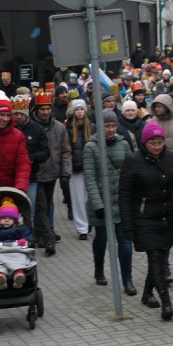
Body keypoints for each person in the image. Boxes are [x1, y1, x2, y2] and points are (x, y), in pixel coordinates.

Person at [119, 120, 173, 321]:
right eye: (153, 143)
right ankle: (166, 303)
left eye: (160, 143)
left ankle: (147, 293)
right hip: (144, 216)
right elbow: (124, 195)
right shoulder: (133, 161)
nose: (157, 147)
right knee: (155, 258)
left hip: (166, 215)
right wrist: (127, 225)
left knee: (159, 256)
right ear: (144, 143)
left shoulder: (171, 158)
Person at [84, 110, 134, 292]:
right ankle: (99, 270)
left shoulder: (123, 144)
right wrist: (97, 205)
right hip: (102, 202)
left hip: (121, 201)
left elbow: (131, 172)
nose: (111, 129)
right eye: (107, 126)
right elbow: (89, 178)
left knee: (125, 241)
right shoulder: (91, 147)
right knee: (102, 238)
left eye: (113, 126)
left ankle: (127, 279)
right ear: (100, 127)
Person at [31, 90, 70, 256]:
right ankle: (47, 237)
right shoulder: (32, 128)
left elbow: (65, 151)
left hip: (52, 172)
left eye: (48, 109)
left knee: (49, 204)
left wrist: (66, 172)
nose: (45, 112)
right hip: (36, 173)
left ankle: (46, 231)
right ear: (36, 110)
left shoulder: (59, 127)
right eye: (42, 109)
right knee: (40, 206)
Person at [65, 99, 92, 240]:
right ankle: (82, 228)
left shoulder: (92, 127)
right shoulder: (69, 129)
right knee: (78, 199)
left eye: (82, 109)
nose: (80, 112)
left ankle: (91, 221)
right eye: (77, 109)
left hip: (91, 168)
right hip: (75, 169)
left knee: (91, 197)